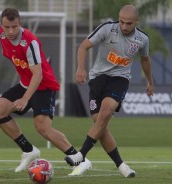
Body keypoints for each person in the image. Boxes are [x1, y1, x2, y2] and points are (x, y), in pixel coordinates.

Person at [0, 8, 91, 176]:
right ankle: (29, 151)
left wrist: (25, 99)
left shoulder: (30, 42)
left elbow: (38, 74)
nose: (10, 31)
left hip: (44, 85)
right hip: (25, 83)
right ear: (1, 25)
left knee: (43, 128)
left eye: (14, 27)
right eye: (6, 27)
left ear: (20, 24)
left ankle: (80, 159)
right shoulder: (0, 34)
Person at [65, 5, 154, 178]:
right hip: (98, 78)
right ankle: (121, 165)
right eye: (122, 22)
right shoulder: (107, 29)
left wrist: (150, 82)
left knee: (105, 113)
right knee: (100, 125)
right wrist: (80, 69)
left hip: (120, 79)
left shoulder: (142, 39)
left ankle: (81, 154)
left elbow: (145, 60)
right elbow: (83, 46)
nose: (124, 26)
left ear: (137, 22)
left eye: (129, 23)